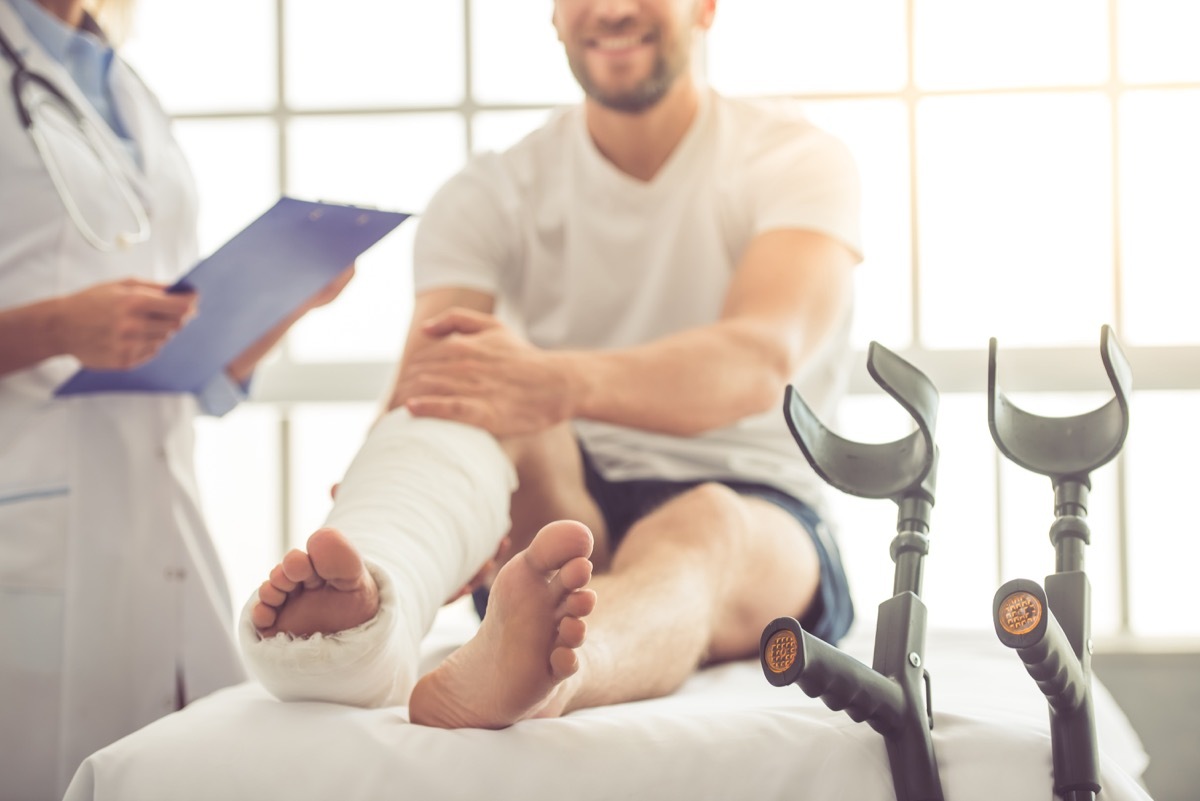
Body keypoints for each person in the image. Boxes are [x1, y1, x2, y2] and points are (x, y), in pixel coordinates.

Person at [240, 0, 861, 729]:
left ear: (706, 8)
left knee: (705, 523)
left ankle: (550, 672)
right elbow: (438, 377)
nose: (615, 8)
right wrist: (396, 471)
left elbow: (758, 360)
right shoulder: (492, 191)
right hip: (564, 500)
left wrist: (552, 381)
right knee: (466, 402)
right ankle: (372, 606)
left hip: (757, 505)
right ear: (555, 15)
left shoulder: (793, 157)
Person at [0, 0, 353, 797]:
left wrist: (288, 299)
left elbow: (182, 367)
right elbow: (83, 321)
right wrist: (61, 325)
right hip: (27, 517)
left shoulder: (124, 85)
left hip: (160, 512)